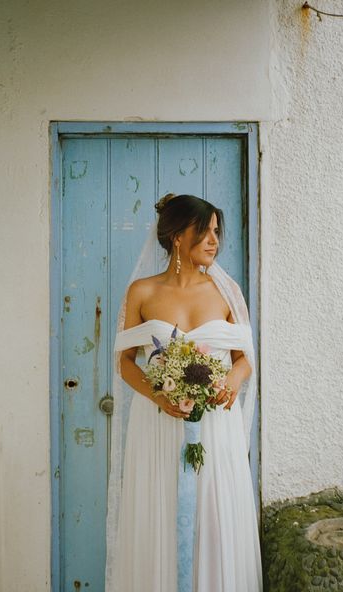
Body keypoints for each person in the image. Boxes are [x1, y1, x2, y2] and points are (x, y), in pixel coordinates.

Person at [105, 194, 263, 591]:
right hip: (159, 426)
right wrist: (159, 397)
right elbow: (125, 362)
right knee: (159, 513)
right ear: (177, 236)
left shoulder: (227, 292)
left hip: (215, 427)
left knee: (215, 516)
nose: (214, 241)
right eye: (204, 231)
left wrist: (234, 379)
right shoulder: (141, 292)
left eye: (216, 232)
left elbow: (246, 358)